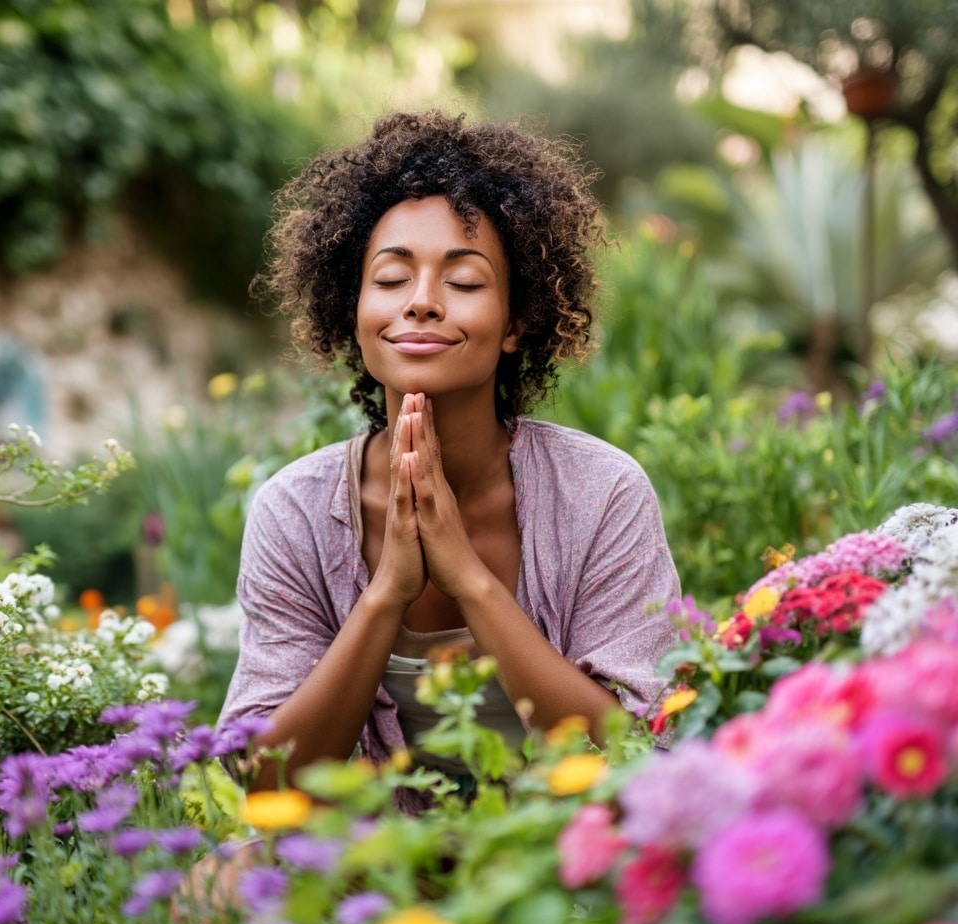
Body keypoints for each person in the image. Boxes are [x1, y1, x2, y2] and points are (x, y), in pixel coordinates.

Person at [217, 110, 681, 797]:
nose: (424, 303)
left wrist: (468, 578)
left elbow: (630, 748)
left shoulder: (601, 493)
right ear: (353, 310)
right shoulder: (296, 511)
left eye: (463, 283)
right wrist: (386, 596)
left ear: (518, 321)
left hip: (557, 876)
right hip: (367, 880)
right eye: (391, 278)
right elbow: (268, 782)